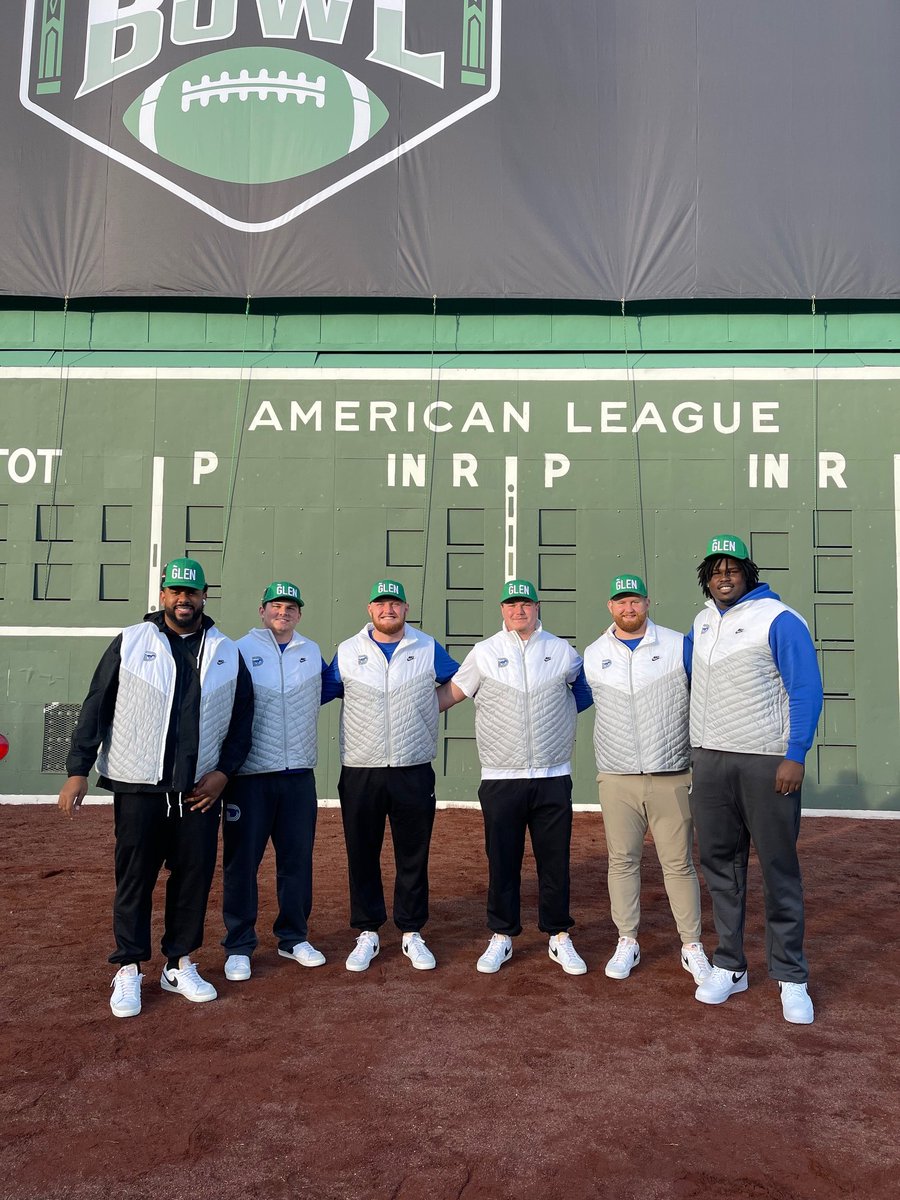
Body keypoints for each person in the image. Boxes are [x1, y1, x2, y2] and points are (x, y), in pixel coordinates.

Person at [57, 557, 253, 1018]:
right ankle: (128, 967)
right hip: (138, 787)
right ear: (163, 595)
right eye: (175, 591)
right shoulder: (131, 641)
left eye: (192, 592)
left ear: (205, 596)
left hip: (198, 791)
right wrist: (77, 769)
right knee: (135, 880)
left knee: (193, 881)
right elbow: (96, 705)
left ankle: (179, 962)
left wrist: (224, 772)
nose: (183, 599)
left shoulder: (226, 649)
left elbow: (243, 721)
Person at [687, 534, 823, 1024]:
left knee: (778, 868)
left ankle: (791, 976)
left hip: (767, 763)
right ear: (708, 576)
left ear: (748, 572)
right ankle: (730, 965)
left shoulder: (779, 619)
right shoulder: (702, 623)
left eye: (733, 568)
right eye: (716, 569)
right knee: (720, 865)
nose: (725, 577)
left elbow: (806, 687)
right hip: (710, 762)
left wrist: (795, 754)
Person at [440, 580, 592, 975]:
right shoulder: (484, 653)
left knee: (554, 861)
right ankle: (502, 935)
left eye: (525, 604)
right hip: (500, 777)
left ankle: (558, 935)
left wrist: (560, 722)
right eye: (511, 604)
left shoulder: (561, 651)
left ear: (537, 607)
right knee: (502, 861)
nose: (518, 610)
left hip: (552, 774)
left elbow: (585, 690)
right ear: (502, 610)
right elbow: (451, 694)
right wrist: (406, 707)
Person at [321, 580, 459, 972]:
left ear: (406, 608)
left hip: (412, 769)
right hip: (360, 770)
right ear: (370, 609)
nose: (388, 610)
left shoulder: (426, 646)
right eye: (381, 603)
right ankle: (367, 931)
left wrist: (427, 708)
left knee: (412, 855)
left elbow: (462, 683)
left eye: (395, 603)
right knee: (361, 853)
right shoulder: (348, 651)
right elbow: (322, 691)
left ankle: (412, 931)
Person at [582, 573, 711, 986]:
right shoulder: (593, 653)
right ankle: (627, 940)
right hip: (617, 776)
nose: (628, 608)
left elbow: (706, 694)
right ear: (610, 607)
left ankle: (692, 945)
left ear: (647, 603)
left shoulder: (677, 644)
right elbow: (575, 701)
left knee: (678, 863)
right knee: (622, 861)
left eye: (634, 600)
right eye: (620, 602)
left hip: (671, 772)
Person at [221, 581, 328, 982]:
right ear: (262, 610)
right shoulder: (237, 650)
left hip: (298, 775)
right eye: (276, 606)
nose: (283, 613)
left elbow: (331, 687)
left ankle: (293, 937)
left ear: (299, 614)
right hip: (249, 777)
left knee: (297, 862)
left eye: (291, 608)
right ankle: (239, 944)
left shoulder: (311, 651)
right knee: (242, 863)